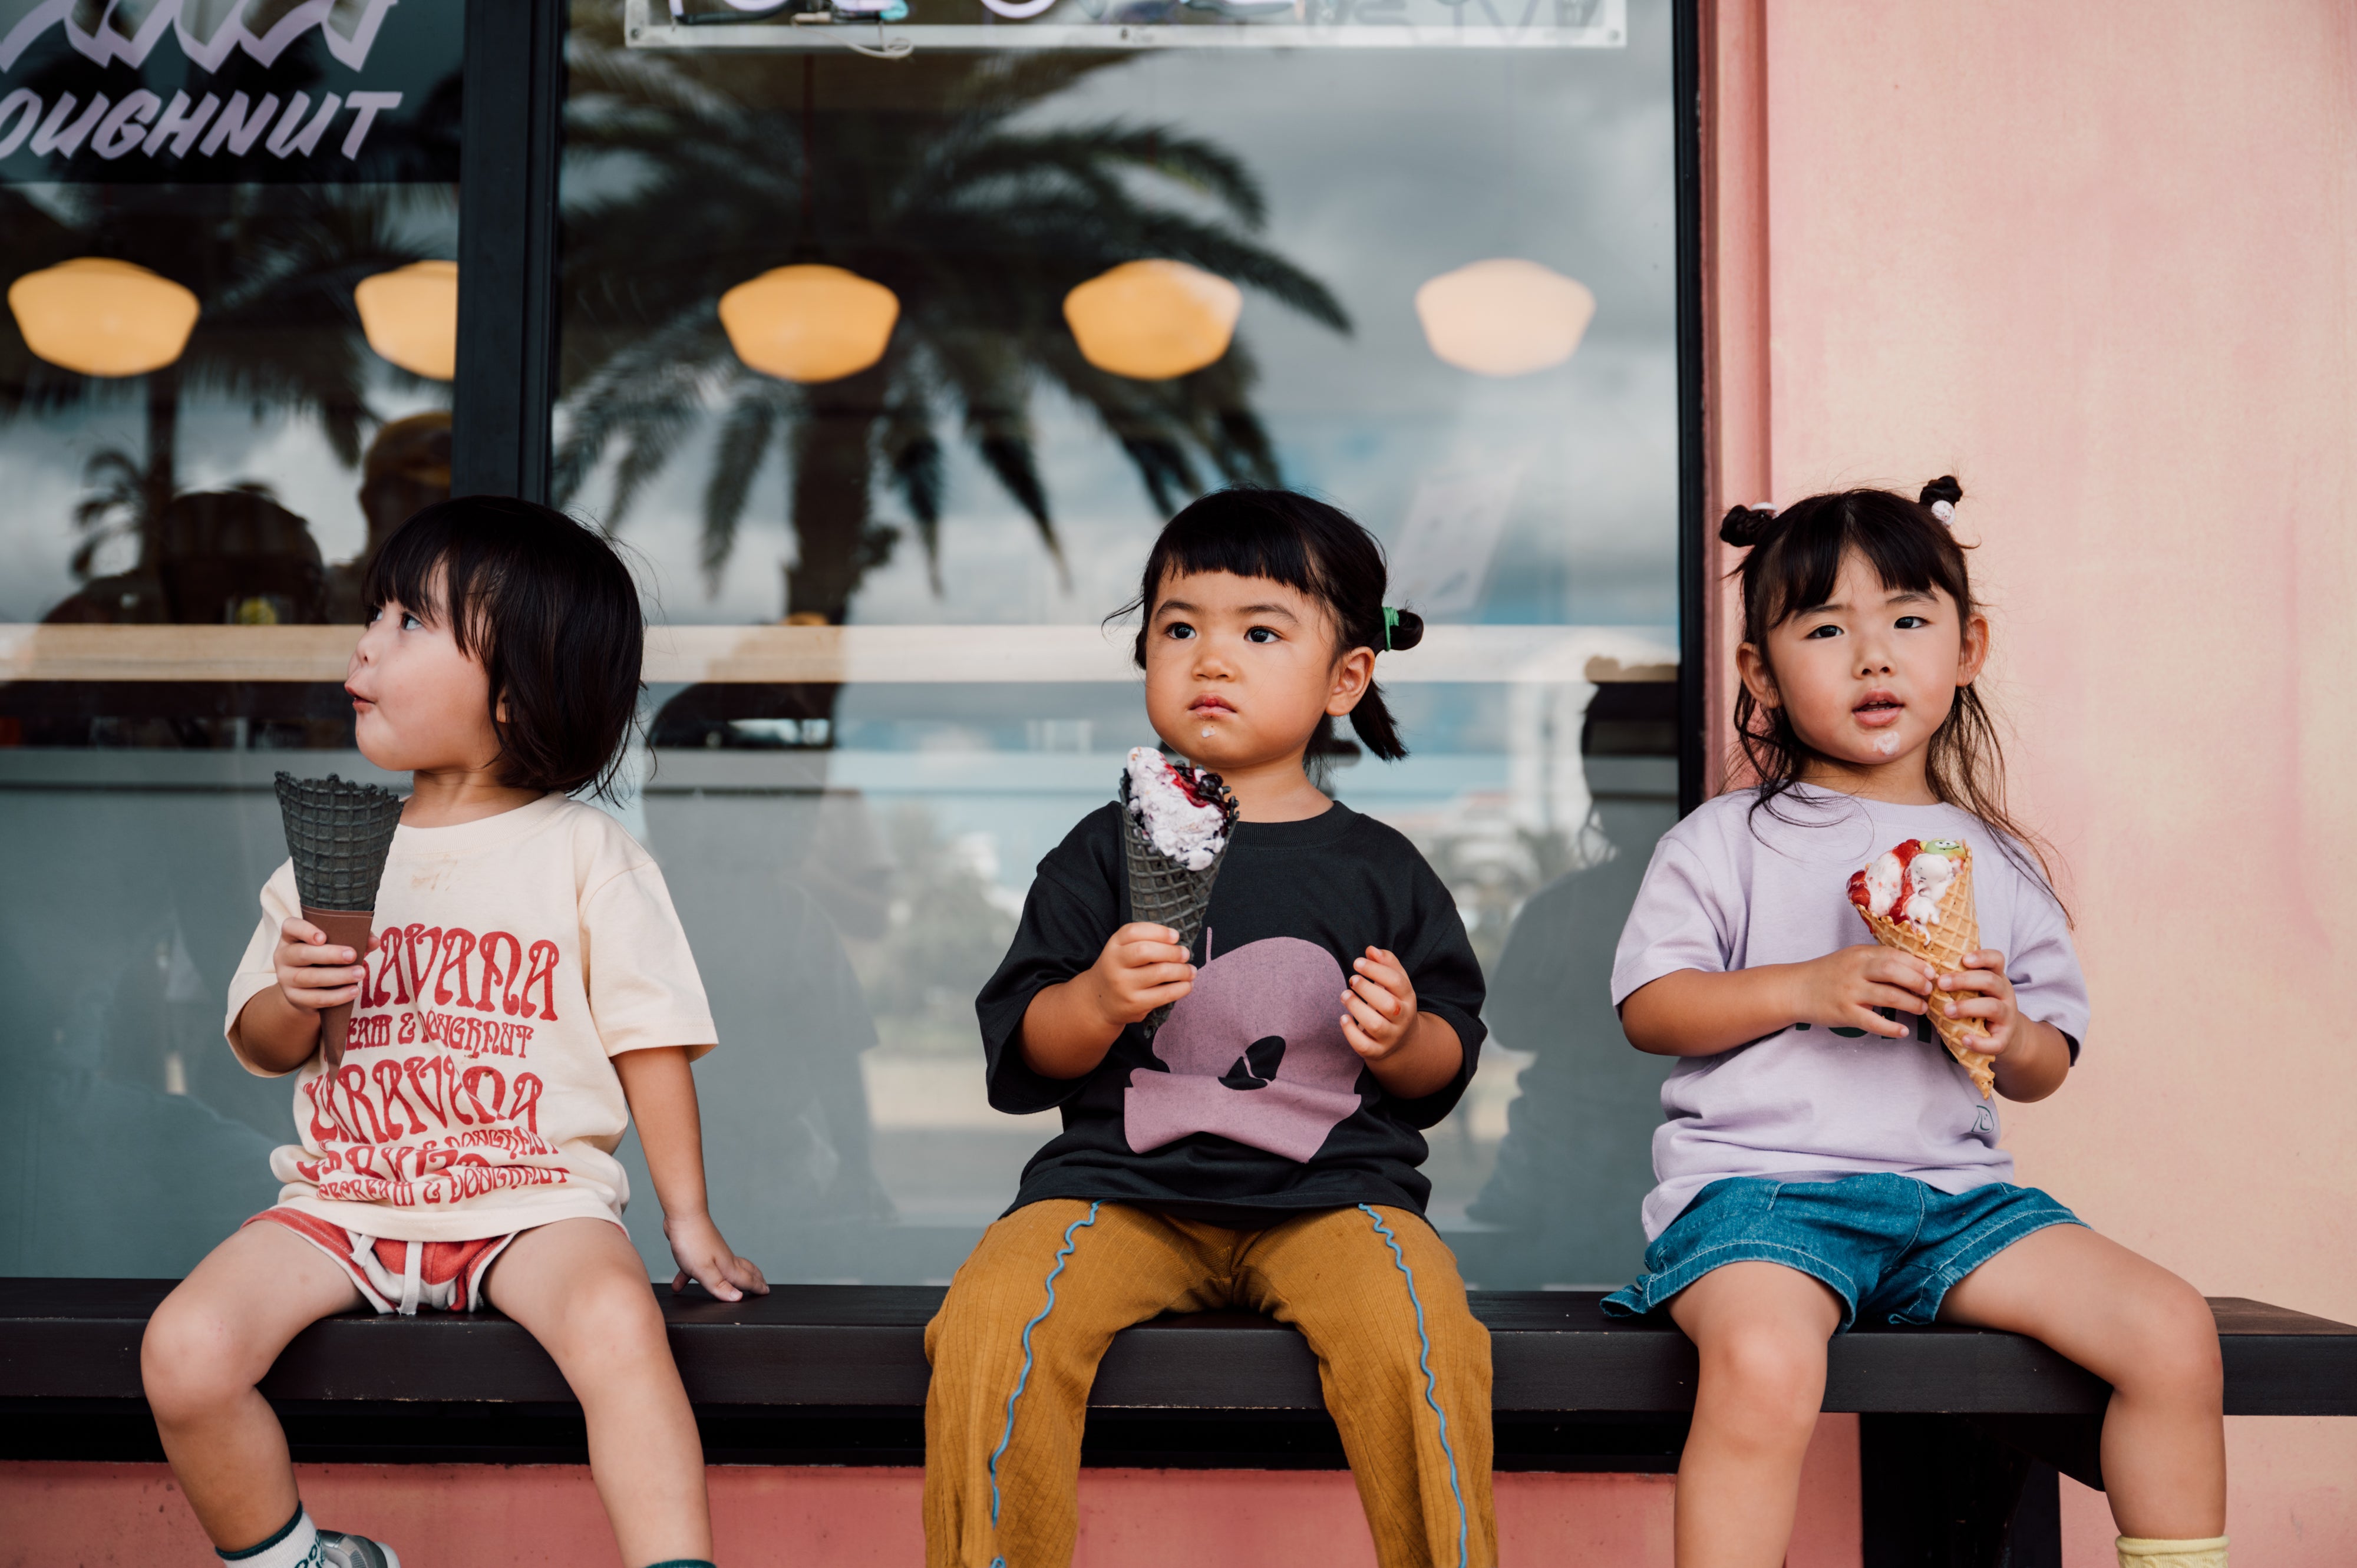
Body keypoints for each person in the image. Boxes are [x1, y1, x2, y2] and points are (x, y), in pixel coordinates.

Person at [1605, 480, 2226, 1568]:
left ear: (1967, 645)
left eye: (1906, 619)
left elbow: (2045, 1065)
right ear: (1760, 670)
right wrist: (1803, 985)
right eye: (1826, 629)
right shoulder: (1725, 840)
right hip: (1762, 1195)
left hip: (1956, 1204)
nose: (1873, 656)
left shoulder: (2002, 861)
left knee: (2172, 1329)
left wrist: (2005, 1029)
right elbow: (1653, 1009)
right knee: (1764, 1360)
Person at [140, 498, 766, 1568]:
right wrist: (297, 985)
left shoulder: (585, 855)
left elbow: (647, 1039)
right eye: (373, 613)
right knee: (183, 1350)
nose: (367, 642)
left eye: (411, 622)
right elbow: (266, 1039)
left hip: (530, 1200)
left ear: (516, 691)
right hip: (342, 1202)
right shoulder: (325, 857)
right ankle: (299, 1559)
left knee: (620, 1330)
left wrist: (689, 1219)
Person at [926, 487, 1496, 1568]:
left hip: (1334, 1197)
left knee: (1419, 1340)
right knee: (993, 1319)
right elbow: (1023, 1049)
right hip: (1119, 1191)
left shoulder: (1381, 866)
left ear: (1346, 678)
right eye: (1180, 627)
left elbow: (1444, 1067)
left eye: (1260, 631)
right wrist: (1093, 1002)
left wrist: (1403, 1033)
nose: (1211, 658)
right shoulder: (1103, 849)